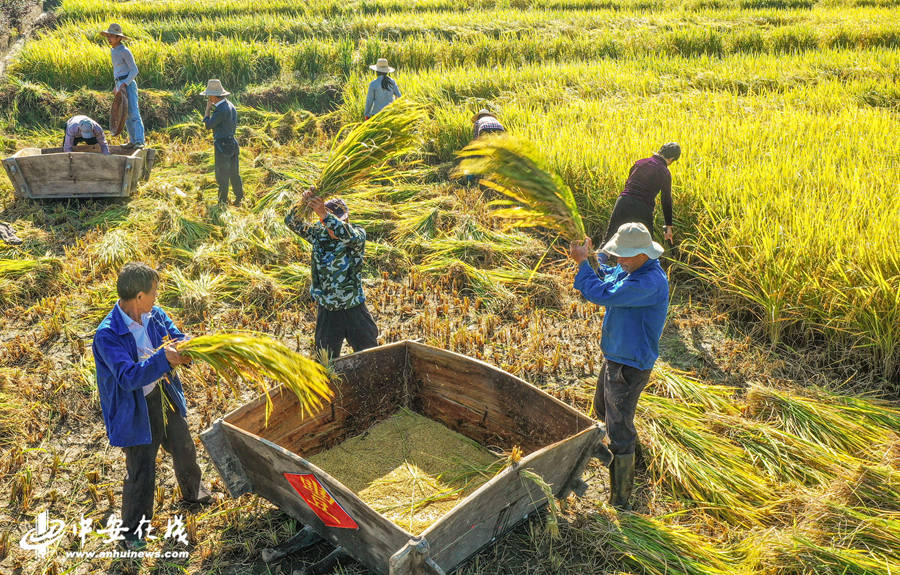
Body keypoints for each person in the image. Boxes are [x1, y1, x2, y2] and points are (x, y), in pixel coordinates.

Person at [92, 263, 215, 551]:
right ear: (138, 296)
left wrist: (186, 347)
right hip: (135, 407)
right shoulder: (108, 334)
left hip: (164, 393)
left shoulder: (154, 315)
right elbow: (128, 377)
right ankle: (132, 534)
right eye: (154, 292)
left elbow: (175, 336)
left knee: (184, 448)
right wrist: (166, 360)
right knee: (141, 470)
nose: (157, 297)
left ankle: (194, 495)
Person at [569, 222, 669, 511]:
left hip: (629, 365)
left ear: (642, 253)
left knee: (619, 426)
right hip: (616, 357)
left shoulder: (648, 282)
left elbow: (603, 294)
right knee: (602, 409)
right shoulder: (634, 270)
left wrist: (583, 265)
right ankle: (624, 458)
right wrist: (590, 258)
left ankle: (621, 498)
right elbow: (608, 276)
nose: (619, 260)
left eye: (623, 255)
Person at [284, 192, 378, 360]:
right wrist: (304, 202)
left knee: (371, 356)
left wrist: (325, 215)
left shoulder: (356, 235)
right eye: (326, 222)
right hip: (328, 310)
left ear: (346, 219)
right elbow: (290, 221)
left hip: (353, 307)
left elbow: (345, 232)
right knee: (325, 361)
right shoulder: (318, 235)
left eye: (339, 220)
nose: (332, 228)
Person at [604, 143, 681, 245]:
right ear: (671, 158)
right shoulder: (664, 172)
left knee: (609, 240)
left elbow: (628, 183)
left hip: (623, 201)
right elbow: (666, 200)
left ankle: (596, 260)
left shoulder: (640, 162)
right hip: (642, 207)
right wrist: (668, 226)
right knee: (647, 246)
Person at [100, 23, 145, 149]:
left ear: (119, 38)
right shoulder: (113, 50)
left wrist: (124, 84)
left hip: (128, 84)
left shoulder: (125, 51)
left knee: (133, 113)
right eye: (108, 36)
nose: (109, 38)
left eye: (112, 36)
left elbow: (134, 70)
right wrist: (117, 85)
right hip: (120, 84)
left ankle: (140, 141)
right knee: (124, 114)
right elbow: (118, 72)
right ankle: (132, 141)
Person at [201, 79, 243, 207]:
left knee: (222, 175)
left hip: (223, 146)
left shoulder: (220, 110)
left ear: (213, 96)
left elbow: (208, 125)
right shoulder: (230, 105)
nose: (208, 98)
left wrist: (207, 110)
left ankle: (222, 202)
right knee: (234, 173)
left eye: (209, 96)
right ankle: (239, 197)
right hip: (233, 143)